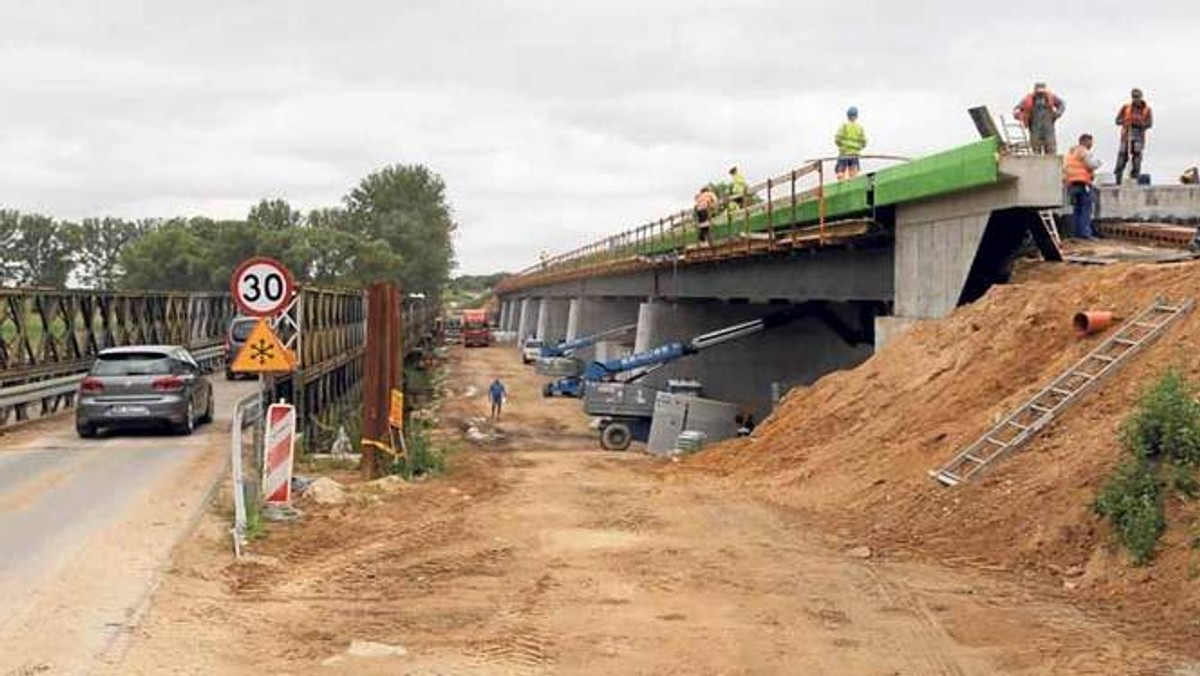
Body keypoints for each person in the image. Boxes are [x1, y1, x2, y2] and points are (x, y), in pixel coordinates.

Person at [1063, 134, 1102, 240]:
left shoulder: (1072, 152)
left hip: (1072, 183)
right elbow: (1091, 165)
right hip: (1082, 183)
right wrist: (1098, 163)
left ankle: (1076, 233)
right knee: (1086, 208)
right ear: (1084, 141)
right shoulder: (1083, 151)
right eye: (1090, 142)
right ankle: (1085, 233)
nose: (1091, 144)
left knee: (1077, 209)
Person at [1013, 82, 1065, 154]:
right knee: (1035, 147)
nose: (1040, 94)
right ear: (1035, 91)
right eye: (1038, 92)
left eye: (1042, 92)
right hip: (1035, 127)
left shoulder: (1051, 97)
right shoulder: (1028, 99)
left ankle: (1050, 162)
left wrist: (1058, 113)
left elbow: (1062, 104)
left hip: (1048, 128)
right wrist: (1019, 115)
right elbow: (1017, 109)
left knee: (1050, 147)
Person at [1114, 88, 1153, 185]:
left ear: (1141, 97)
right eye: (1133, 97)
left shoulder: (1147, 109)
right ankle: (1117, 180)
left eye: (1137, 96)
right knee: (1121, 159)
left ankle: (1134, 179)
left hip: (1138, 138)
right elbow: (1117, 120)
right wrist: (1126, 122)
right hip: (1126, 137)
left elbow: (1149, 123)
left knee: (1137, 160)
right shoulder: (1125, 107)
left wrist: (1138, 123)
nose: (1135, 99)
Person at [834, 107, 867, 180]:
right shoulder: (859, 127)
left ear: (847, 116)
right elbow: (864, 142)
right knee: (853, 175)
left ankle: (841, 188)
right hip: (854, 155)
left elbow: (837, 139)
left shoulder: (844, 126)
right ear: (856, 116)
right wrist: (859, 148)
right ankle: (852, 188)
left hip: (844, 154)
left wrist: (841, 146)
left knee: (840, 173)